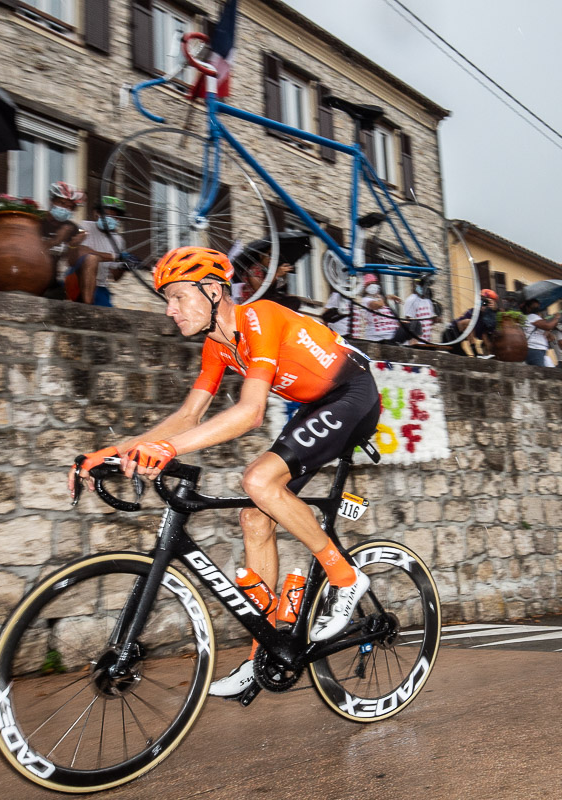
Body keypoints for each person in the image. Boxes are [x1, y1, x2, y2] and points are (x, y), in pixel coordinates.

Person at [70, 246, 379, 700]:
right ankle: (264, 656)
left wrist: (166, 448)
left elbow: (251, 412)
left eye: (177, 297)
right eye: (166, 301)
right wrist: (118, 450)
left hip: (353, 393)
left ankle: (346, 577)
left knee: (257, 480)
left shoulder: (261, 318)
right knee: (255, 516)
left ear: (213, 291)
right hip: (314, 405)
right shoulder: (217, 346)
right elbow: (188, 416)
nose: (170, 310)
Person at [66, 197, 127, 306]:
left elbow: (115, 277)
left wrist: (125, 266)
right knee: (92, 258)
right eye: (106, 214)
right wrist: (115, 257)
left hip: (100, 287)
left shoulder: (119, 240)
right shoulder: (84, 226)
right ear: (96, 213)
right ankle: (88, 307)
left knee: (109, 319)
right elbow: (82, 251)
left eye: (114, 216)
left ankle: (91, 305)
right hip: (76, 280)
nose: (110, 218)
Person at [231, 232, 312, 312]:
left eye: (274, 256)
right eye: (269, 255)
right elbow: (259, 289)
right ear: (261, 255)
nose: (272, 258)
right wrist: (276, 274)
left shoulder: (270, 270)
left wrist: (282, 278)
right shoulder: (254, 268)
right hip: (252, 304)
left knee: (294, 301)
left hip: (265, 303)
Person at [42, 181, 85, 299]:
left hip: (53, 284)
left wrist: (74, 246)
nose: (65, 208)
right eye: (62, 203)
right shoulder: (38, 221)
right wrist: (56, 240)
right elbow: (30, 252)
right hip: (33, 278)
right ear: (52, 201)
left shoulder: (72, 228)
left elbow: (72, 263)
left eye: (70, 207)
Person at [399, 278, 439, 344]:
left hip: (426, 342)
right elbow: (409, 322)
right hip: (417, 342)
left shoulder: (428, 301)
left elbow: (429, 321)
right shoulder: (411, 300)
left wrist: (436, 319)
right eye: (422, 285)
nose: (425, 287)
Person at [522, 298, 559, 366]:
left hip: (537, 349)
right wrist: (556, 318)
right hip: (535, 349)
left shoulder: (533, 318)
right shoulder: (532, 317)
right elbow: (548, 326)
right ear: (528, 308)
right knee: (538, 373)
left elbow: (550, 337)